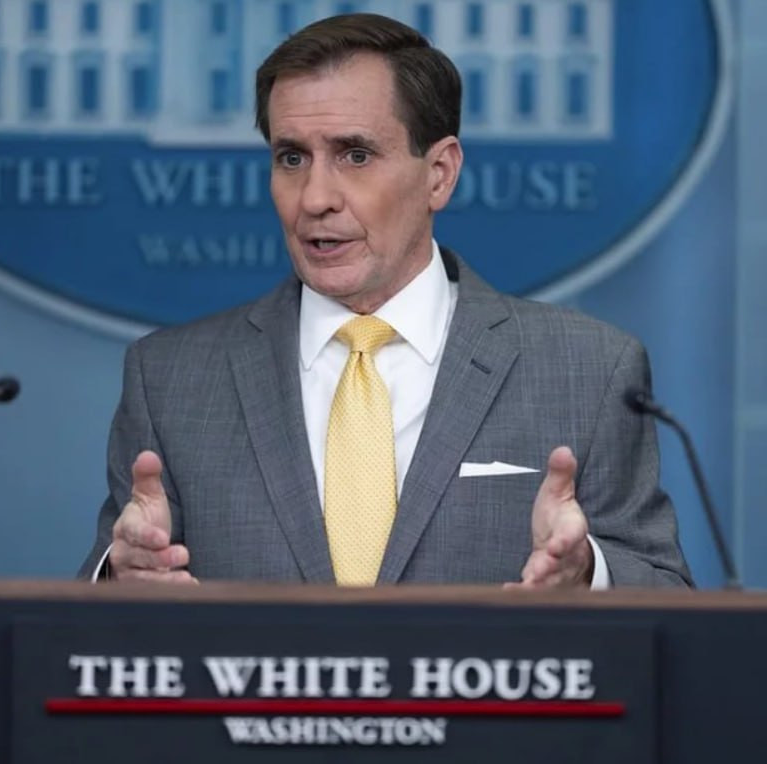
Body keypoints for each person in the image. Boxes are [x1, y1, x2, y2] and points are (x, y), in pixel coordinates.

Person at [79, 13, 691, 588]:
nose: (315, 197)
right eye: (292, 158)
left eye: (356, 155)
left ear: (439, 174)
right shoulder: (170, 380)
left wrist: (587, 574)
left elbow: (666, 598)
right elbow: (90, 618)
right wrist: (120, 578)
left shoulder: (587, 371)